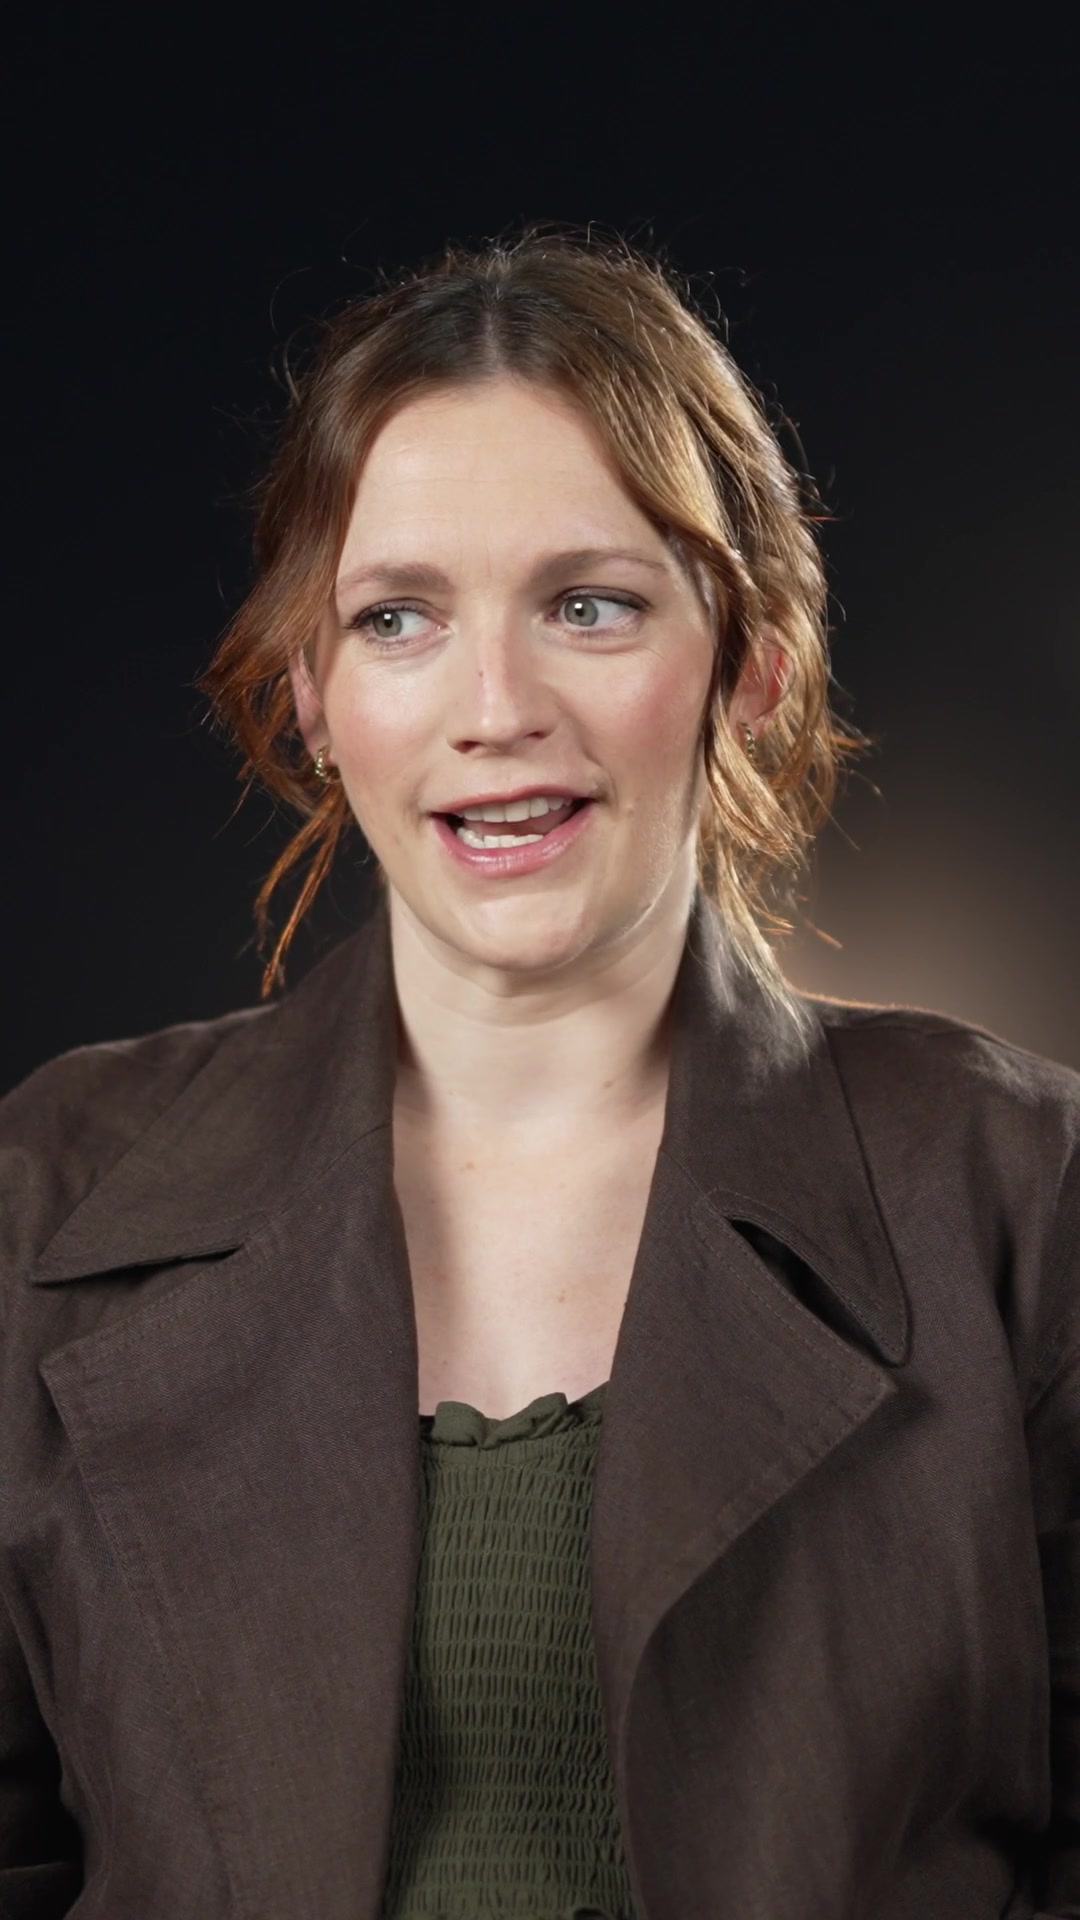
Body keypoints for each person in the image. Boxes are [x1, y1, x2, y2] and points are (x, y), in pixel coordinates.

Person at [0, 228, 1076, 1920]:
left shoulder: (1023, 1189)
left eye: (589, 606)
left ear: (747, 662)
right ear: (312, 695)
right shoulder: (50, 1189)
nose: (495, 706)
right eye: (399, 618)